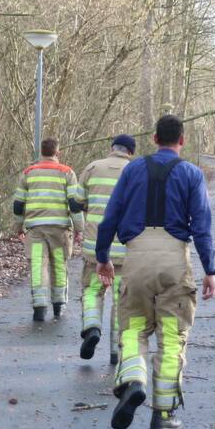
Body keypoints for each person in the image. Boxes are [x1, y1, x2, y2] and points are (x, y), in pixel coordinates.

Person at [95, 114, 215, 429]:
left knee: (133, 327)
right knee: (172, 337)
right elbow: (202, 226)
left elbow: (110, 217)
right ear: (182, 140)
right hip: (174, 258)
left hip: (136, 258)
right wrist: (210, 270)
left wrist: (103, 258)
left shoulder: (133, 169)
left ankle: (133, 380)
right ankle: (163, 417)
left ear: (153, 139)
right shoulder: (191, 174)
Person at [77, 134, 136, 363]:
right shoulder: (135, 171)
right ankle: (115, 350)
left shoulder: (92, 167)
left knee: (92, 291)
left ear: (112, 148)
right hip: (126, 250)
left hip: (95, 249)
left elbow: (77, 202)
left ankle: (92, 327)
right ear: (131, 152)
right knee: (121, 299)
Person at [12, 138, 85, 321]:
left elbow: (19, 204)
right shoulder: (67, 172)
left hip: (35, 229)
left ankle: (39, 306)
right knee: (59, 264)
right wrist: (79, 228)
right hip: (59, 230)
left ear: (41, 153)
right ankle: (59, 306)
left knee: (38, 265)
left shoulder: (28, 173)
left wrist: (18, 226)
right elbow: (74, 205)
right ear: (57, 153)